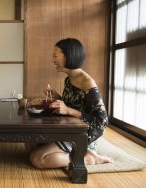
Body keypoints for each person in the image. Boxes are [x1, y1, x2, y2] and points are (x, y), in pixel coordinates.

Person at [26, 38, 113, 169]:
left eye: (55, 55)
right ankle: (70, 152)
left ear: (69, 55)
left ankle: (87, 158)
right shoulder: (69, 79)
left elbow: (102, 121)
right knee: (29, 142)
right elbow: (71, 105)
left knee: (38, 159)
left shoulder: (87, 83)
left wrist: (68, 111)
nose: (53, 60)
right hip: (69, 128)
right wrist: (58, 97)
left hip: (82, 134)